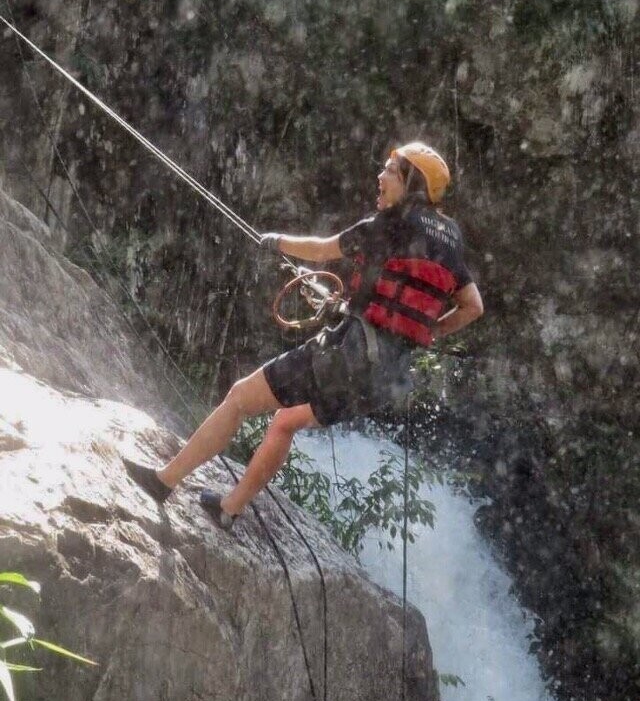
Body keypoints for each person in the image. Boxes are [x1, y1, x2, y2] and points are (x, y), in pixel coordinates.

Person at [123, 142, 483, 529]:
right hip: (384, 378)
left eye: (391, 171)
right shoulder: (450, 239)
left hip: (348, 357)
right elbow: (473, 305)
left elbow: (324, 250)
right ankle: (229, 509)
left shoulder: (391, 224)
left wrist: (277, 241)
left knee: (240, 398)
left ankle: (163, 482)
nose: (380, 178)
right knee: (286, 421)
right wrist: (426, 330)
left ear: (412, 184)